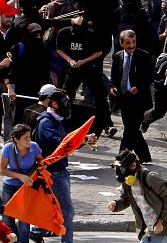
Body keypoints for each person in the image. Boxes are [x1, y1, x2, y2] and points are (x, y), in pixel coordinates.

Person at [34, 90, 97, 243]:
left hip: (60, 171)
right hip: (53, 173)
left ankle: (36, 232)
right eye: (63, 103)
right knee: (67, 212)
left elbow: (67, 144)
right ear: (54, 104)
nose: (66, 107)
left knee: (53, 208)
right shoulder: (46, 123)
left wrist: (84, 140)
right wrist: (82, 139)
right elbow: (60, 145)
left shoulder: (56, 121)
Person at [108, 149, 167, 243]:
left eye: (122, 169)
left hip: (163, 227)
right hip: (150, 227)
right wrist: (116, 204)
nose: (120, 172)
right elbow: (126, 199)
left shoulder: (150, 178)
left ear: (133, 165)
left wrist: (161, 221)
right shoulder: (128, 181)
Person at [110, 30, 154, 163]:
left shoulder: (143, 56)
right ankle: (145, 155)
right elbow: (114, 76)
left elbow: (150, 76)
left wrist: (138, 87)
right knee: (132, 128)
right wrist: (112, 87)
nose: (131, 45)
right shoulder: (117, 56)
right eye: (128, 43)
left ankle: (122, 158)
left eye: (133, 42)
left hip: (138, 99)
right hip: (124, 97)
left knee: (130, 129)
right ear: (121, 43)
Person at [1, 123, 42, 243]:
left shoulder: (34, 147)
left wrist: (38, 169)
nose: (29, 140)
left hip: (26, 186)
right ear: (16, 139)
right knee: (8, 217)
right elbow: (2, 170)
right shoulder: (8, 148)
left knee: (24, 218)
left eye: (29, 137)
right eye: (25, 138)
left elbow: (41, 162)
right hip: (10, 186)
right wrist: (20, 176)